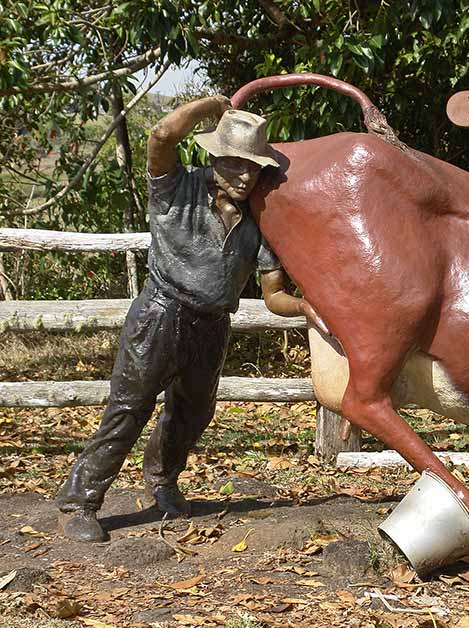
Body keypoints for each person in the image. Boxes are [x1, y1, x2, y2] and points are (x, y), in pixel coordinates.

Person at [55, 95, 323, 542]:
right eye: (235, 164)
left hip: (213, 325)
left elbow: (274, 295)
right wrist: (212, 105)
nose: (244, 176)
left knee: (193, 413)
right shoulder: (176, 186)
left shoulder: (259, 219)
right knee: (128, 410)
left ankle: (162, 480)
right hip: (160, 315)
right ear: (214, 156)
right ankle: (78, 502)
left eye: (253, 167)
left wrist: (308, 308)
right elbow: (161, 135)